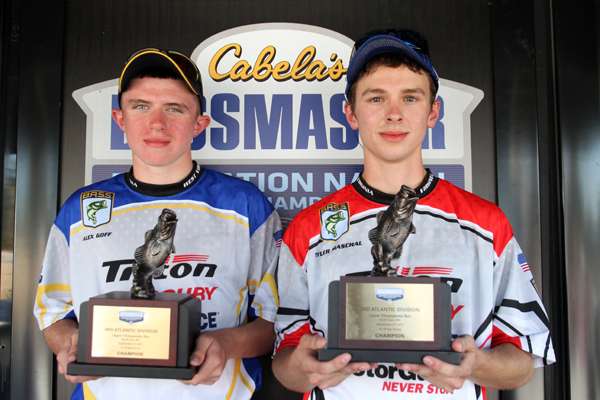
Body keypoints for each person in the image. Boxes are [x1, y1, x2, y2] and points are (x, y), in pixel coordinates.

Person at [272, 29, 555, 399]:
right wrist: (304, 368)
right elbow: (285, 360)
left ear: (433, 112)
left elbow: (522, 361)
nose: (394, 114)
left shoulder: (485, 224)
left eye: (410, 97)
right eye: (376, 98)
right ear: (351, 113)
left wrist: (476, 365)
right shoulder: (309, 228)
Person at [34, 48, 281, 400]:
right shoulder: (80, 210)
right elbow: (53, 313)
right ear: (120, 119)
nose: (157, 123)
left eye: (174, 108)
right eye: (140, 106)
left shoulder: (245, 205)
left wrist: (225, 343)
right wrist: (72, 343)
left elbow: (274, 323)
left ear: (199, 124)